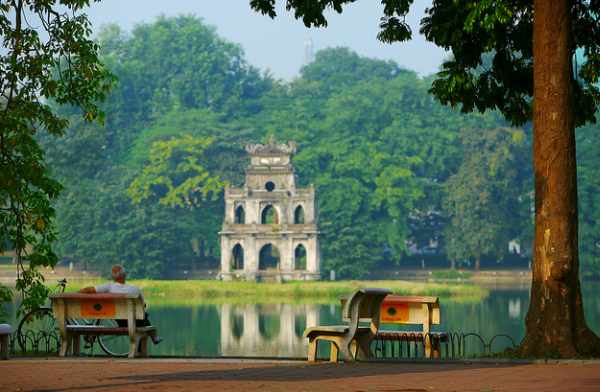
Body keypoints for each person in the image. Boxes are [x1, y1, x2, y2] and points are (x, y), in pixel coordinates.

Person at [79, 265, 162, 345]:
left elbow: (89, 290)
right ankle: (153, 337)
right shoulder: (135, 290)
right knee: (143, 317)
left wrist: (80, 291)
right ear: (125, 275)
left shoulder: (109, 287)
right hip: (135, 321)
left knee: (142, 319)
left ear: (112, 277)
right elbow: (144, 306)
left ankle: (152, 338)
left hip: (121, 322)